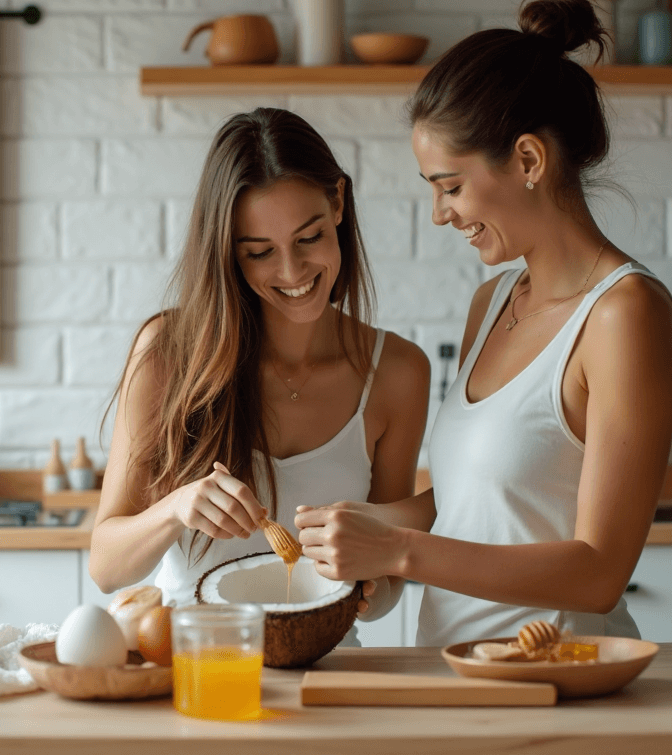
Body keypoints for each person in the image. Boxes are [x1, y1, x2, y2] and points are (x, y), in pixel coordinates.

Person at [295, 0, 672, 647]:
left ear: (529, 160)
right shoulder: (494, 302)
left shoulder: (625, 314)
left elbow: (599, 572)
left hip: (561, 688)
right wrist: (363, 525)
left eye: (450, 186)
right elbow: (466, 503)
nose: (441, 214)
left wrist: (398, 553)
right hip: (456, 677)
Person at [88, 108, 431, 636]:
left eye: (309, 238)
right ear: (227, 252)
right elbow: (107, 568)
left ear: (338, 203)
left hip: (329, 675)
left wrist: (367, 580)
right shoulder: (168, 353)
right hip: (201, 669)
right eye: (259, 252)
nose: (292, 272)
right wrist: (175, 508)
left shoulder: (398, 372)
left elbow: (385, 595)